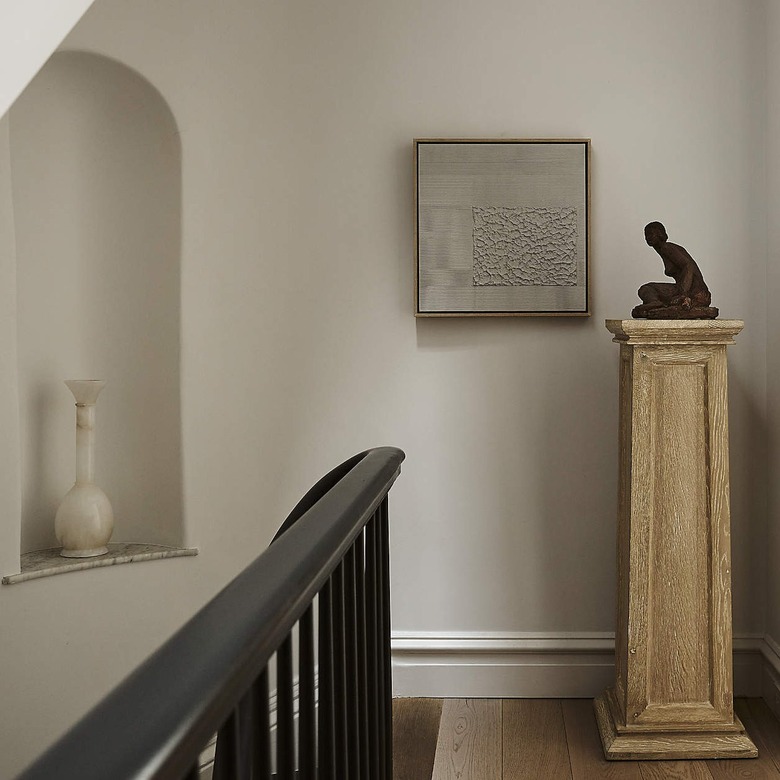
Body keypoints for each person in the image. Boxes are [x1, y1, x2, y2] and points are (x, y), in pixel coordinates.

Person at [632, 221, 713, 317]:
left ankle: (656, 303)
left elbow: (688, 266)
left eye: (651, 234)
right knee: (646, 290)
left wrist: (683, 294)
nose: (648, 237)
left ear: (660, 234)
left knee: (646, 289)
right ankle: (657, 303)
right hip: (688, 290)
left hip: (696, 293)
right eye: (646, 234)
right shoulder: (663, 250)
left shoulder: (666, 247)